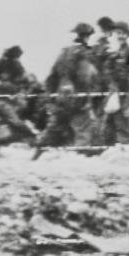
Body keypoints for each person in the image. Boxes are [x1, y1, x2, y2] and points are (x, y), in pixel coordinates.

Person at [34, 23, 100, 157]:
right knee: (83, 128)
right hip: (77, 98)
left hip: (61, 98)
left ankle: (38, 153)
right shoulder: (83, 53)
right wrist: (86, 94)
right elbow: (84, 77)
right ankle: (80, 159)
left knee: (54, 128)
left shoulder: (63, 52)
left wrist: (52, 97)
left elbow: (51, 77)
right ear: (87, 36)